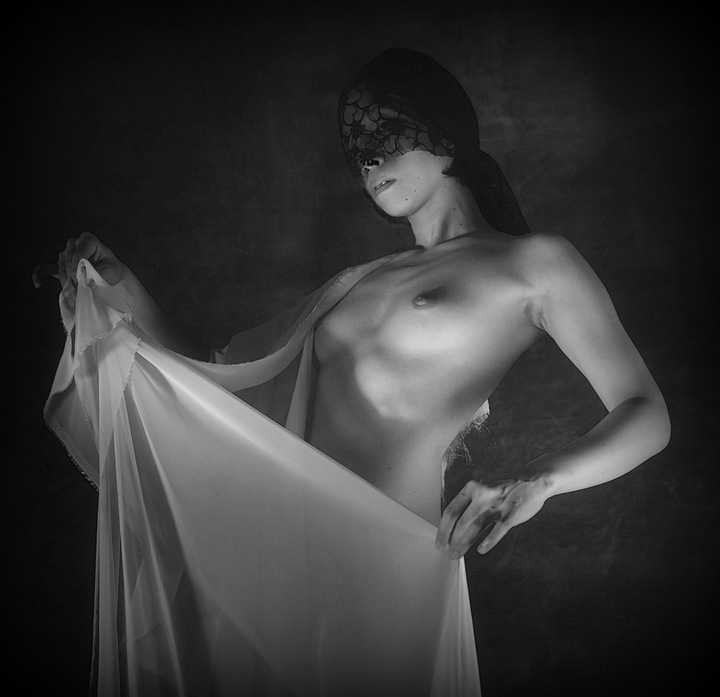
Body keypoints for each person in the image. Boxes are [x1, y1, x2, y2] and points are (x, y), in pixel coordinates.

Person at [33, 48, 670, 696]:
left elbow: (646, 411)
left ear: (446, 134)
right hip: (279, 557)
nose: (367, 158)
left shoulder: (534, 263)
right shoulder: (358, 284)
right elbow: (223, 377)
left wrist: (536, 481)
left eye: (384, 133)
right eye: (356, 147)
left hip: (384, 563)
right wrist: (120, 289)